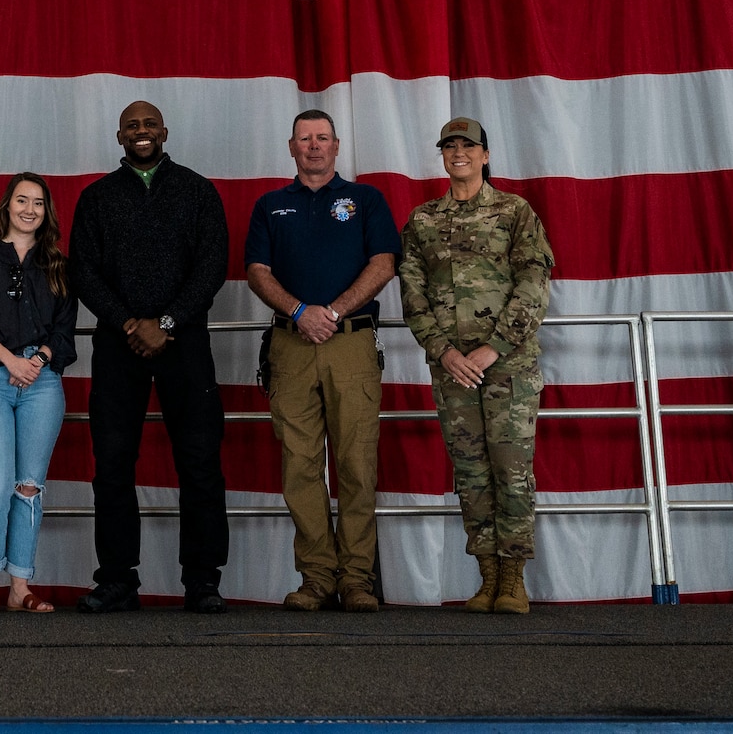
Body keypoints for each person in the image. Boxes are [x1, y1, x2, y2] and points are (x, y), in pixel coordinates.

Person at [67, 101, 232, 613]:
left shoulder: (198, 191)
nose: (142, 132)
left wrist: (163, 324)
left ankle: (202, 580)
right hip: (119, 348)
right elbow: (84, 272)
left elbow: (212, 267)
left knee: (200, 462)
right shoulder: (96, 198)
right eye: (132, 126)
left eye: (149, 124)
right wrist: (128, 323)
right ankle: (117, 579)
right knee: (113, 464)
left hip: (185, 345)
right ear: (120, 136)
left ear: (165, 130)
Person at [244, 110, 400, 613]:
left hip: (350, 342)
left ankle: (357, 579)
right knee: (301, 466)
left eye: (323, 138)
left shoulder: (366, 200)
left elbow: (384, 263)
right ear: (291, 147)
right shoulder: (271, 206)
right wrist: (298, 311)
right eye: (305, 139)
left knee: (356, 463)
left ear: (337, 146)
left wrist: (331, 312)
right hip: (291, 346)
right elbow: (257, 271)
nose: (314, 146)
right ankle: (315, 578)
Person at [398, 116, 555, 615]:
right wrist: (444, 352)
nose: (458, 152)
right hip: (452, 370)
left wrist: (494, 347)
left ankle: (513, 578)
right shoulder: (423, 221)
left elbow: (535, 284)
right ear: (442, 157)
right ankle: (486, 576)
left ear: (485, 155)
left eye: (468, 145)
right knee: (470, 474)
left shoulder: (515, 212)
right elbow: (412, 293)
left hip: (506, 366)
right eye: (449, 146)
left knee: (511, 471)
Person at [0, 173, 79, 613]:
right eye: (22, 200)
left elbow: (64, 330)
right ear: (7, 206)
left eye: (38, 203)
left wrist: (37, 361)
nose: (29, 209)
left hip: (41, 383)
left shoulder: (58, 264)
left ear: (47, 212)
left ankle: (20, 585)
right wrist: (12, 361)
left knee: (28, 486)